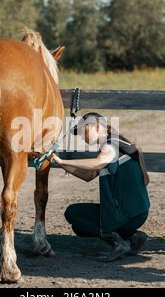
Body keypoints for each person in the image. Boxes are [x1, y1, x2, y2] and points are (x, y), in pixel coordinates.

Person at [51, 112, 151, 262]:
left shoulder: (110, 146)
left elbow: (98, 162)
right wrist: (58, 163)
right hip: (139, 211)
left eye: (84, 131)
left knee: (74, 214)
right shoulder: (122, 144)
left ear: (97, 126)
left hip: (125, 212)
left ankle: (118, 244)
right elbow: (88, 176)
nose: (82, 137)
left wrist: (63, 162)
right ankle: (133, 237)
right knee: (78, 220)